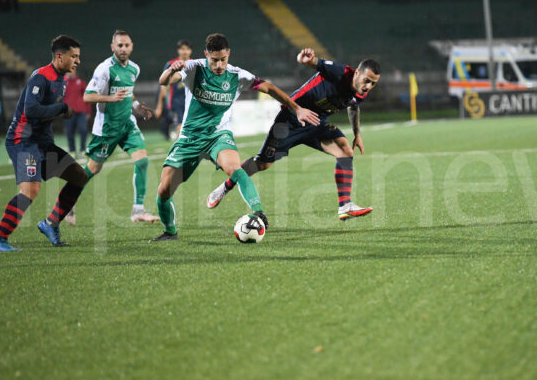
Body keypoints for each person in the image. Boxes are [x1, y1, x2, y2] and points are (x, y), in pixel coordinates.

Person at [151, 33, 320, 242]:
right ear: (206, 55)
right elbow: (163, 81)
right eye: (214, 60)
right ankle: (170, 232)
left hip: (218, 135)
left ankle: (258, 212)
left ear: (228, 54)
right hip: (190, 137)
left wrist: (296, 108)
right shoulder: (194, 68)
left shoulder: (237, 75)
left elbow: (269, 88)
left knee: (235, 169)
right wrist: (170, 71)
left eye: (223, 59)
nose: (219, 64)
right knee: (164, 189)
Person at [205, 48, 380, 221]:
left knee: (345, 150)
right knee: (262, 164)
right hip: (291, 119)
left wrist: (357, 134)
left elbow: (354, 106)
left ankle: (345, 206)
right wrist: (305, 59)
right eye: (367, 80)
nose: (368, 86)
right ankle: (225, 187)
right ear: (357, 73)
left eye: (373, 83)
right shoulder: (340, 71)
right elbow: (314, 63)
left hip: (316, 123)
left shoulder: (360, 90)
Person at [0, 35, 88, 251]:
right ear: (60, 56)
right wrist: (61, 109)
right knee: (31, 190)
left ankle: (50, 223)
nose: (78, 61)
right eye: (74, 56)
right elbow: (31, 111)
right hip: (22, 141)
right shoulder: (41, 78)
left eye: (78, 57)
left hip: (41, 144)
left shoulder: (61, 79)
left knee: (79, 176)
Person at [80, 30, 159, 223]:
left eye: (127, 45)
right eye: (120, 45)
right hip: (107, 128)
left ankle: (138, 210)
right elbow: (87, 96)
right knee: (94, 168)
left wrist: (137, 107)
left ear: (132, 46)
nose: (123, 49)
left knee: (142, 161)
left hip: (127, 124)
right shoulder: (105, 69)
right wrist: (110, 98)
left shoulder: (134, 69)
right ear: (112, 47)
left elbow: (128, 94)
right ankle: (68, 198)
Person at [156, 39, 192, 141]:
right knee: (180, 128)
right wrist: (159, 106)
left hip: (190, 103)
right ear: (178, 50)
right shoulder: (171, 64)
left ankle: (180, 151)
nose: (185, 51)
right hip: (176, 103)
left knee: (189, 130)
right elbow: (163, 86)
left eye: (187, 49)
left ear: (190, 51)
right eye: (182, 49)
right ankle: (178, 153)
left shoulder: (193, 64)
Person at [62, 70, 89, 157]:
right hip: (68, 112)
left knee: (83, 130)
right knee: (69, 132)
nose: (69, 73)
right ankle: (72, 151)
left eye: (71, 71)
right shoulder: (63, 83)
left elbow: (87, 96)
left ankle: (82, 150)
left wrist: (88, 111)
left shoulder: (81, 82)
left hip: (81, 111)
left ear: (75, 72)